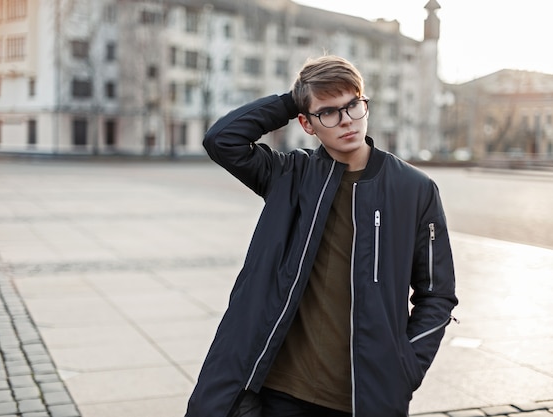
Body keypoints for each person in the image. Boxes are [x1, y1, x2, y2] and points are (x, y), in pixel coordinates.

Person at [184, 55, 458, 417]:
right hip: (277, 389)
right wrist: (291, 100)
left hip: (361, 396)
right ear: (306, 123)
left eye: (353, 105)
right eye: (328, 112)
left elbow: (437, 293)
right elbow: (222, 140)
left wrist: (405, 366)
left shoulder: (414, 189)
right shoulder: (289, 175)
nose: (346, 120)